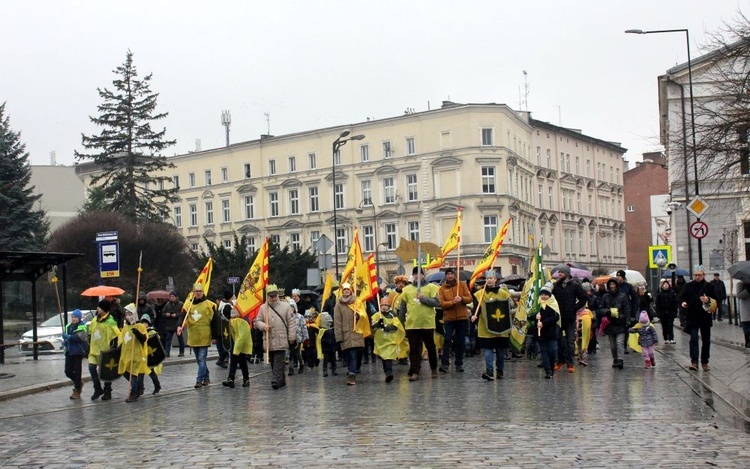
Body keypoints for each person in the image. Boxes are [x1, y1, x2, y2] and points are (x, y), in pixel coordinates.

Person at [398, 267, 441, 381]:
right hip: (412, 324)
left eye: (419, 274)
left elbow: (436, 302)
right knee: (414, 349)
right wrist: (400, 321)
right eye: (415, 274)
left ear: (423, 275)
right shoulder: (407, 289)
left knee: (430, 347)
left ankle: (433, 368)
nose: (417, 276)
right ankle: (415, 371)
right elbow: (403, 307)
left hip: (427, 323)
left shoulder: (431, 287)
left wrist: (423, 298)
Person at [471, 270, 513, 381]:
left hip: (501, 327)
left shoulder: (503, 293)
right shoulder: (480, 294)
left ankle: (500, 371)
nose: (489, 280)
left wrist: (507, 292)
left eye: (491, 278)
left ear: (495, 279)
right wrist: (474, 316)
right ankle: (489, 371)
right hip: (486, 326)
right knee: (488, 350)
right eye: (487, 278)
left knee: (499, 350)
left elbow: (510, 306)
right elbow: (476, 308)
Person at [254, 284, 297, 389]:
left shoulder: (285, 306)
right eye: (271, 296)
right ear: (267, 296)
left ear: (278, 295)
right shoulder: (263, 308)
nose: (273, 298)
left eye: (275, 296)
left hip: (281, 338)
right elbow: (257, 321)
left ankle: (275, 380)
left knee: (278, 360)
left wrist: (291, 337)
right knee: (273, 362)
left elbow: (291, 323)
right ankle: (281, 380)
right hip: (269, 339)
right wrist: (264, 326)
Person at [177, 283, 216, 388]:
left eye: (200, 291)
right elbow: (182, 316)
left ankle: (199, 380)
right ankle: (206, 377)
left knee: (202, 359)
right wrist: (179, 326)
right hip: (193, 335)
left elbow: (214, 322)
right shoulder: (188, 305)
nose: (198, 293)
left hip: (204, 335)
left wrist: (214, 336)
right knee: (199, 360)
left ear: (203, 292)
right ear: (193, 293)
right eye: (196, 291)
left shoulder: (210, 305)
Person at [677, 267, 717, 371]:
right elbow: (681, 297)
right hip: (692, 316)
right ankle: (694, 362)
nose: (697, 277)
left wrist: (708, 300)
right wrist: (683, 303)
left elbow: (716, 299)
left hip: (705, 317)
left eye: (699, 275)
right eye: (696, 275)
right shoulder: (688, 286)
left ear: (703, 275)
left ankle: (704, 362)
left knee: (706, 340)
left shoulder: (709, 286)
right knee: (693, 339)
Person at [551, 265, 587, 373]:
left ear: (567, 274)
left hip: (570, 318)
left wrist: (574, 308)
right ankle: (560, 360)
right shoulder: (555, 286)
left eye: (562, 272)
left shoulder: (574, 286)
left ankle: (570, 363)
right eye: (559, 272)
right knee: (557, 340)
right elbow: (548, 297)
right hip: (557, 318)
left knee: (570, 341)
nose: (560, 274)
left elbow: (584, 298)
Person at [438, 268, 472, 373]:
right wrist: (452, 302)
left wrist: (461, 298)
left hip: (462, 318)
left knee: (460, 341)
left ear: (454, 275)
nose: (450, 276)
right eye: (448, 274)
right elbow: (442, 303)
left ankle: (459, 363)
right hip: (449, 318)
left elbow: (469, 298)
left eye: (451, 274)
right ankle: (445, 363)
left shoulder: (462, 285)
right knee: (447, 340)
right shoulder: (442, 288)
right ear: (446, 276)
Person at [88, 299, 121, 401]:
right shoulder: (94, 320)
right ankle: (97, 388)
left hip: (105, 351)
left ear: (104, 309)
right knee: (92, 369)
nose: (97, 308)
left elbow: (117, 335)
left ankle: (107, 391)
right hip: (94, 350)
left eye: (99, 307)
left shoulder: (110, 321)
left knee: (107, 372)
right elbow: (90, 332)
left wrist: (114, 346)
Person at [334, 283, 366, 385]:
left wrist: (358, 316)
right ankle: (351, 369)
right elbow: (337, 322)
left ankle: (352, 374)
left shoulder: (357, 302)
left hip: (356, 332)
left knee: (353, 354)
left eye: (348, 289)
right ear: (342, 292)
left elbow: (364, 316)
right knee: (347, 355)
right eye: (344, 289)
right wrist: (339, 336)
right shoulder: (338, 305)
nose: (346, 291)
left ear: (351, 291)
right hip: (345, 334)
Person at [370, 296, 405, 383]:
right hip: (381, 340)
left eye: (386, 305)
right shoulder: (377, 315)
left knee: (388, 356)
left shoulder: (393, 315)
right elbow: (372, 326)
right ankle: (386, 371)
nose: (384, 306)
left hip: (390, 340)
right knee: (384, 357)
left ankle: (389, 372)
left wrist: (385, 327)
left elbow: (396, 326)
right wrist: (378, 324)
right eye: (382, 305)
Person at [598, 278, 631, 370]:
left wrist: (627, 319)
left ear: (616, 285)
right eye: (610, 284)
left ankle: (620, 359)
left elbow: (627, 309)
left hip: (620, 323)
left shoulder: (622, 296)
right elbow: (600, 309)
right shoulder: (605, 297)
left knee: (619, 342)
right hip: (609, 323)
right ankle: (615, 359)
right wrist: (608, 311)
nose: (612, 286)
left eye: (614, 284)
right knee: (612, 345)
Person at [118, 309, 149, 403]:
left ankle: (133, 393)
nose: (127, 316)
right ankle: (138, 387)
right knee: (126, 372)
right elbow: (122, 340)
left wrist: (137, 332)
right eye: (126, 314)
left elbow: (144, 339)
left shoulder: (140, 326)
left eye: (129, 314)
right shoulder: (125, 327)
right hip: (127, 354)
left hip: (136, 354)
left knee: (133, 374)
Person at [534, 282, 560, 379]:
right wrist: (535, 317)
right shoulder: (537, 304)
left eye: (546, 295)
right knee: (544, 352)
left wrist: (544, 322)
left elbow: (556, 317)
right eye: (542, 294)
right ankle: (548, 370)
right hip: (541, 333)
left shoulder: (553, 304)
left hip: (551, 332)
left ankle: (552, 366)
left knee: (552, 351)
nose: (544, 297)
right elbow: (530, 315)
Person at [222, 308, 253, 388]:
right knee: (239, 362)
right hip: (235, 344)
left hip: (239, 345)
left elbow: (242, 337)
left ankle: (238, 379)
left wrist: (237, 348)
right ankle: (235, 379)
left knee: (239, 362)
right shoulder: (232, 321)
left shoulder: (242, 322)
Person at [62, 309, 88, 400]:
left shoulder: (82, 326)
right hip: (69, 351)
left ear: (79, 318)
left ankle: (77, 389)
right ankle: (79, 382)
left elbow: (79, 338)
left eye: (75, 317)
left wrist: (68, 337)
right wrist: (64, 341)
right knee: (68, 371)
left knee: (77, 371)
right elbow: (67, 338)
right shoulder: (68, 326)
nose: (73, 319)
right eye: (72, 317)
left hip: (78, 351)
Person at [159, 291, 184, 357]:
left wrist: (176, 315)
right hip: (169, 324)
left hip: (177, 323)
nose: (171, 298)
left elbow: (183, 314)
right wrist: (166, 314)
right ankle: (167, 352)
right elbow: (163, 313)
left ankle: (182, 352)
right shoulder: (167, 304)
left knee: (180, 339)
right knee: (168, 339)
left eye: (173, 296)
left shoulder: (180, 304)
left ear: (176, 297)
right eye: (170, 297)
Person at [288, 299, 309, 376]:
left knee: (297, 353)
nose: (290, 309)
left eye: (292, 307)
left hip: (298, 337)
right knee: (289, 353)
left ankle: (301, 364)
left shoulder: (300, 317)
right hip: (289, 338)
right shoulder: (286, 317)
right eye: (289, 307)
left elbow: (303, 327)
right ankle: (290, 368)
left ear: (295, 308)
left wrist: (305, 338)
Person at [654, 279, 677, 344]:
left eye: (667, 284)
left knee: (670, 325)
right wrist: (658, 312)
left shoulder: (672, 293)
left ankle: (671, 338)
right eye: (664, 284)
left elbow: (675, 303)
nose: (666, 286)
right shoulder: (660, 294)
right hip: (663, 312)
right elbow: (657, 304)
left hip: (670, 312)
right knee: (664, 326)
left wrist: (674, 312)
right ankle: (666, 338)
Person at [215, 291, 234, 369]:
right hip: (226, 329)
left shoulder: (222, 305)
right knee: (229, 346)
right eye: (233, 297)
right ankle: (222, 360)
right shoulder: (227, 306)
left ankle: (221, 359)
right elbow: (230, 316)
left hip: (222, 329)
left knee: (227, 346)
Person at [319, 311, 338, 377]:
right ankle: (325, 370)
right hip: (326, 348)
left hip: (332, 347)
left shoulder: (332, 329)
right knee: (326, 359)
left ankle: (334, 369)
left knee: (333, 359)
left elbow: (335, 338)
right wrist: (327, 341)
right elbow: (321, 339)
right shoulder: (322, 330)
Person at [737, 281, 750, 348]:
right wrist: (747, 290)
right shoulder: (741, 284)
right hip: (746, 308)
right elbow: (739, 295)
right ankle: (747, 342)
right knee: (747, 327)